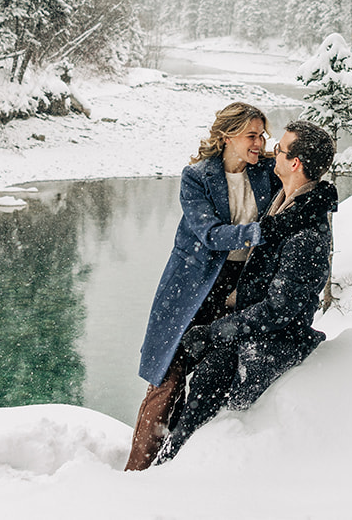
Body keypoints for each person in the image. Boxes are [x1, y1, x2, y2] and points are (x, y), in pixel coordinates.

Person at [156, 119, 339, 464]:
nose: (272, 152)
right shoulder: (285, 199)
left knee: (205, 394)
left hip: (269, 344)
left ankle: (168, 471)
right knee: (175, 369)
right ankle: (160, 458)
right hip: (245, 326)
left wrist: (214, 332)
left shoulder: (306, 237)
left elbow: (278, 311)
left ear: (295, 163)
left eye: (280, 150)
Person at [125, 102, 276, 471]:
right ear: (227, 136)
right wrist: (259, 233)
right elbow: (209, 233)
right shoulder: (196, 177)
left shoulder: (267, 170)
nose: (259, 143)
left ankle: (181, 466)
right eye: (251, 136)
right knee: (169, 377)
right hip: (192, 287)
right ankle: (135, 470)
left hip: (241, 287)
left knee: (214, 375)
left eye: (262, 136)